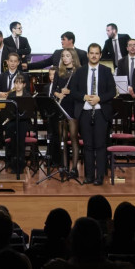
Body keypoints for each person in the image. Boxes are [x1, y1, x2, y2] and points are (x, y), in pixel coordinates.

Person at [72, 43, 115, 185]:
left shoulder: (106, 71)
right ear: (88, 55)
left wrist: (99, 98)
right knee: (88, 146)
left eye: (97, 53)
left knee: (100, 146)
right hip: (84, 112)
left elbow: (112, 92)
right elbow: (73, 91)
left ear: (100, 55)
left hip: (101, 112)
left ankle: (99, 177)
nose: (94, 55)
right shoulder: (80, 71)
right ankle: (89, 176)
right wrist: (84, 97)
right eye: (91, 53)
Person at [52, 48, 81, 176]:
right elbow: (53, 90)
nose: (64, 58)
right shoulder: (59, 72)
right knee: (62, 138)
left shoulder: (79, 72)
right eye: (63, 56)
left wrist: (70, 92)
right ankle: (64, 166)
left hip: (73, 107)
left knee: (73, 138)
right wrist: (59, 94)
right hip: (61, 107)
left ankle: (74, 168)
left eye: (67, 56)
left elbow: (81, 91)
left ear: (73, 57)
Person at [0, 52, 28, 149]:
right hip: (4, 105)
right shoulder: (2, 75)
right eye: (11, 61)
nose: (13, 63)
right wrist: (0, 94)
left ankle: (11, 143)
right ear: (7, 62)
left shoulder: (23, 75)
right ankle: (0, 141)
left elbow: (26, 92)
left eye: (15, 61)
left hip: (17, 106)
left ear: (18, 63)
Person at [5, 74, 32, 173]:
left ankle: (20, 164)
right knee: (13, 141)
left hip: (23, 121)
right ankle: (13, 163)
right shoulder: (11, 95)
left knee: (20, 142)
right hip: (13, 121)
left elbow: (29, 112)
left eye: (20, 83)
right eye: (16, 83)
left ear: (24, 85)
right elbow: (7, 111)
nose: (18, 85)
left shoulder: (27, 95)